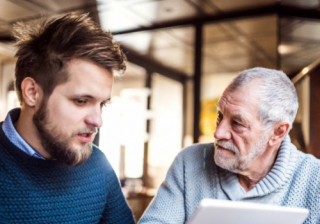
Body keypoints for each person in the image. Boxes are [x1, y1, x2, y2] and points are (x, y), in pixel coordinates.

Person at [0, 13, 135, 224]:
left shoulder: (98, 167)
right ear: (32, 92)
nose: (98, 121)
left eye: (102, 104)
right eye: (81, 101)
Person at [139, 67, 320, 224]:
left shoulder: (315, 180)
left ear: (277, 132)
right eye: (220, 116)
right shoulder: (190, 161)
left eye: (237, 123)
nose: (218, 133)